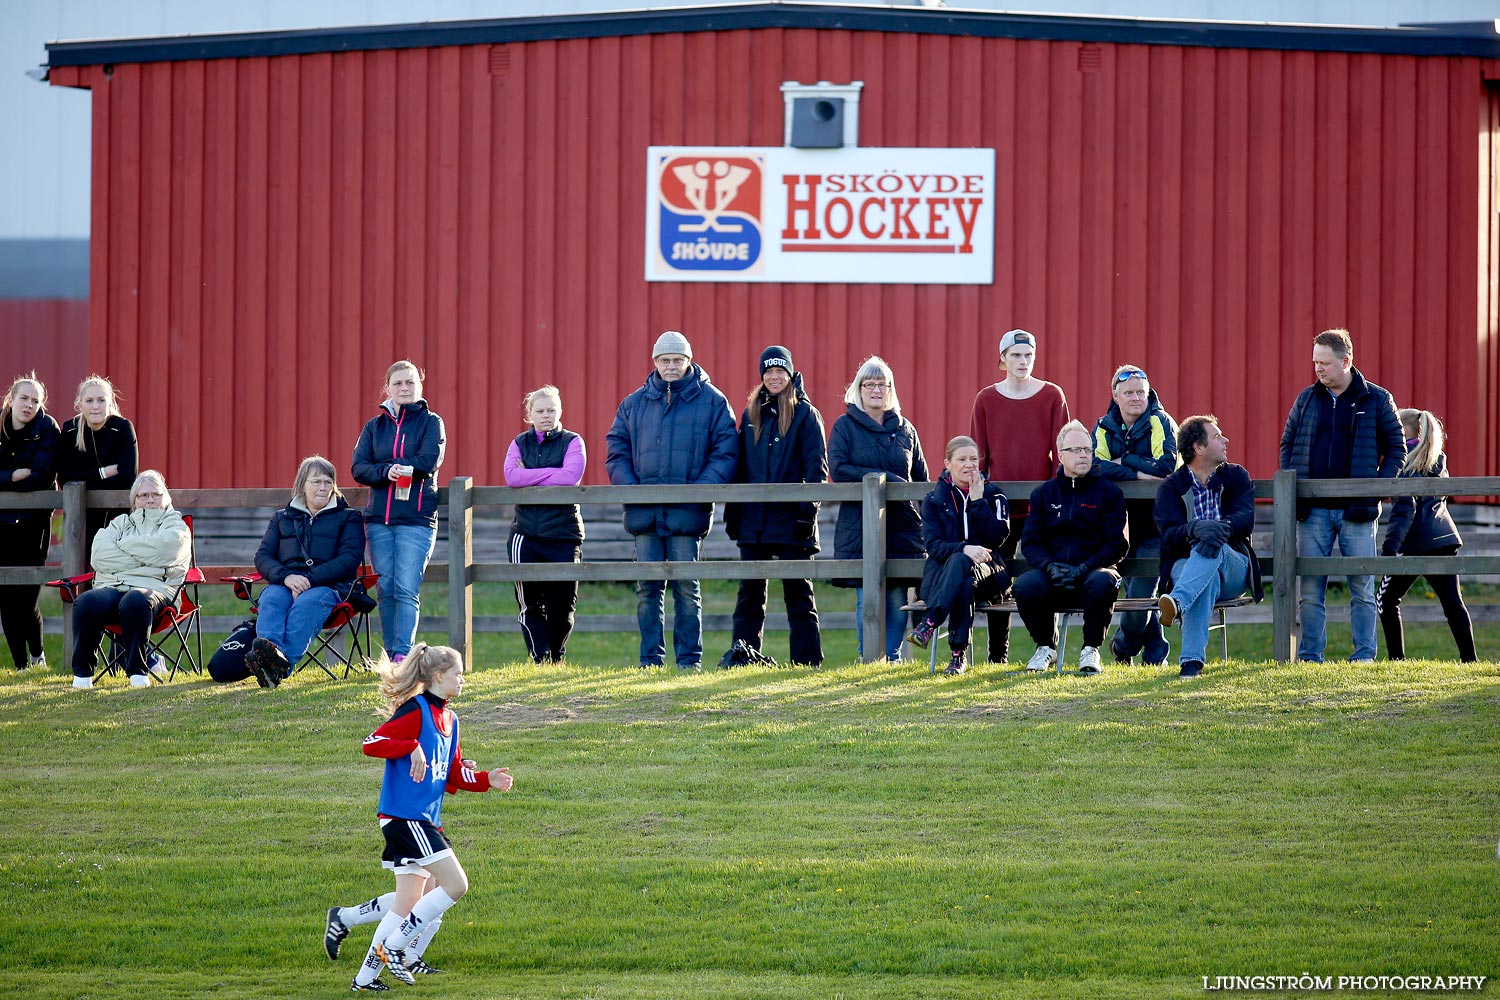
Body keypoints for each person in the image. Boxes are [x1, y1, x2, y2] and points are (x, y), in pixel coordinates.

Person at [349, 644, 513, 992]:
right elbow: (371, 742)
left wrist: (486, 779)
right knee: (456, 885)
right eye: (458, 674)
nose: (462, 680)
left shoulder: (451, 720)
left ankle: (365, 979)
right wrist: (409, 745)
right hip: (405, 818)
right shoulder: (415, 710)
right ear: (438, 676)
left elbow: (453, 774)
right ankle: (393, 948)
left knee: (408, 903)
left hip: (424, 820)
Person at [606, 332, 737, 670]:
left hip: (687, 513)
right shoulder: (634, 404)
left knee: (686, 588)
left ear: (688, 361)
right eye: (664, 360)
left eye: (677, 360)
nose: (671, 366)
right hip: (645, 514)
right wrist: (633, 489)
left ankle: (689, 661)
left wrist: (699, 490)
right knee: (648, 590)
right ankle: (651, 660)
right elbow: (616, 450)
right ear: (655, 363)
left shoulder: (712, 401)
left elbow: (725, 452)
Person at [1279, 329, 1404, 662]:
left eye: (1325, 363)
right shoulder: (1306, 399)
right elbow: (1287, 444)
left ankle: (1363, 656)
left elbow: (1396, 448)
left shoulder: (1376, 399)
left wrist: (1377, 486)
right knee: (1309, 591)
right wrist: (1293, 485)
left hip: (1358, 511)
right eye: (1315, 362)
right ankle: (1310, 657)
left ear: (1346, 361)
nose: (1318, 369)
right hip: (1312, 510)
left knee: (1362, 588)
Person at [722, 346, 828, 667]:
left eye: (780, 371)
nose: (774, 376)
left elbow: (816, 471)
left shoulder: (805, 415)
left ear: (790, 374)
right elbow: (740, 467)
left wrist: (806, 516)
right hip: (754, 521)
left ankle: (807, 663)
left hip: (792, 521)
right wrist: (734, 511)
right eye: (768, 372)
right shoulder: (751, 414)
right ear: (762, 376)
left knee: (798, 594)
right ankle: (744, 657)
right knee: (750, 595)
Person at [969, 329, 1070, 663]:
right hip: (1000, 508)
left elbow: (1062, 452)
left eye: (1028, 355)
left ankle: (1049, 647)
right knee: (998, 577)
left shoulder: (1052, 395)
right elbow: (979, 457)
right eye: (1015, 355)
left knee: (1047, 573)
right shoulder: (986, 399)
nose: (1022, 361)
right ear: (1003, 359)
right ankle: (998, 654)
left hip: (1041, 507)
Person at [829, 356, 929, 661]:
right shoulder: (844, 426)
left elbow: (922, 477)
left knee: (898, 594)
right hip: (860, 523)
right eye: (868, 384)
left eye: (881, 384)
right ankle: (869, 656)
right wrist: (883, 478)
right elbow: (838, 468)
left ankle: (893, 656)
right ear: (858, 389)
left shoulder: (906, 430)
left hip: (903, 524)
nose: (875, 389)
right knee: (866, 594)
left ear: (890, 389)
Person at [1013, 420, 1128, 674]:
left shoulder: (1109, 494)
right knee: (1025, 585)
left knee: (1104, 581)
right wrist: (1049, 566)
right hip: (1053, 574)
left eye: (1087, 449)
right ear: (1061, 456)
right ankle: (1045, 647)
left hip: (1092, 571)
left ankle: (1090, 650)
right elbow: (1031, 541)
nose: (1084, 455)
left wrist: (1086, 566)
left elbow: (1117, 544)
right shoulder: (1043, 495)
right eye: (1076, 450)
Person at [243, 456, 368, 687]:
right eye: (316, 481)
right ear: (302, 485)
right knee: (270, 598)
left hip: (329, 586)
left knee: (307, 603)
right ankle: (267, 655)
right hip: (286, 583)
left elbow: (348, 560)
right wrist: (287, 578)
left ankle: (280, 666)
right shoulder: (282, 517)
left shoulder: (349, 517)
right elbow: (262, 557)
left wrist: (307, 581)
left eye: (328, 482)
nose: (323, 487)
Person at [1153, 416, 1263, 677]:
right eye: (1216, 436)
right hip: (1187, 568)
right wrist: (1193, 530)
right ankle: (1191, 663)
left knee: (1215, 549)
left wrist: (1219, 529)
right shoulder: (1171, 487)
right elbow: (1168, 535)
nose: (1225, 440)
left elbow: (1245, 519)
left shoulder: (1236, 476)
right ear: (1198, 448)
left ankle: (1177, 603)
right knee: (1206, 576)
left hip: (1233, 566)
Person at [353, 360, 446, 662]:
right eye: (398, 383)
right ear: (388, 388)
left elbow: (428, 461)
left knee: (406, 588)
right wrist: (386, 471)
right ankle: (391, 652)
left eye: (410, 383)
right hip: (378, 520)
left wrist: (403, 468)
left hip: (415, 519)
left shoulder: (431, 422)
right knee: (386, 587)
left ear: (419, 387)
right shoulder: (374, 426)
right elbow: (359, 467)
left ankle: (402, 656)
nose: (404, 388)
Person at [68, 470, 190, 689]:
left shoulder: (176, 526)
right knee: (87, 601)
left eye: (156, 494)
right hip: (115, 586)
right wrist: (146, 561)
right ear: (134, 500)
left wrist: (123, 548)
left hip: (158, 589)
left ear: (166, 498)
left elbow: (166, 551)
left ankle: (137, 673)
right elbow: (99, 555)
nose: (150, 499)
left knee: (135, 599)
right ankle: (82, 676)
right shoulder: (120, 523)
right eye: (143, 495)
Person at [1092, 364, 1178, 665]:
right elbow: (1094, 467)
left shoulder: (1160, 421)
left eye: (1140, 392)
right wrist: (1140, 472)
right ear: (1115, 395)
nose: (1135, 398)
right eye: (1128, 392)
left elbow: (1166, 467)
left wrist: (1123, 460)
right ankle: (1156, 653)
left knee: (1141, 591)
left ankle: (1123, 646)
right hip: (1117, 525)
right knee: (1134, 594)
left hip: (1157, 523)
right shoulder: (1103, 426)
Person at [1377, 409, 1476, 662]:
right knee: (1453, 603)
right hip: (1443, 539)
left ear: (1404, 432)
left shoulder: (1406, 464)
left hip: (1414, 541)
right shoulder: (1437, 460)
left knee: (1386, 599)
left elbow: (1404, 509)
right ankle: (1469, 659)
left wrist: (1390, 548)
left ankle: (1396, 659)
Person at [906, 436, 1011, 675]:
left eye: (974, 459)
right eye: (962, 459)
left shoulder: (994, 496)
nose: (969, 464)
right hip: (945, 577)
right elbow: (933, 545)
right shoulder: (934, 500)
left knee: (962, 565)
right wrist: (964, 548)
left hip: (989, 572)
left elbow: (996, 539)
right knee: (962, 573)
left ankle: (930, 623)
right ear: (947, 464)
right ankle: (957, 657)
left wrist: (977, 501)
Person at [504, 385, 586, 664]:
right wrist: (552, 473)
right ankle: (540, 657)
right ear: (529, 414)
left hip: (563, 532)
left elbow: (571, 476)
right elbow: (512, 478)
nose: (546, 415)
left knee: (562, 604)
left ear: (560, 411)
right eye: (540, 410)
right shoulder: (519, 442)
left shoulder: (573, 441)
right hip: (525, 533)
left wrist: (531, 474)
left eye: (551, 410)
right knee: (529, 603)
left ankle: (557, 655)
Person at [0, 373, 60, 672]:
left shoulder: (47, 428)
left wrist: (9, 482)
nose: (29, 405)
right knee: (5, 596)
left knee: (26, 597)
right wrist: (11, 476)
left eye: (36, 400)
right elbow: (25, 477)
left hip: (35, 522)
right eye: (24, 398)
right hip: (1, 524)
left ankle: (37, 656)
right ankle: (21, 665)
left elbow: (43, 476)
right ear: (11, 398)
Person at [57, 374, 138, 548]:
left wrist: (85, 478)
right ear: (80, 403)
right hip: (82, 514)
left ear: (110, 402)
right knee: (83, 566)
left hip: (118, 513)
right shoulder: (70, 429)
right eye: (89, 401)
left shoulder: (122, 427)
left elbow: (127, 476)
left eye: (101, 400)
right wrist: (104, 472)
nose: (95, 406)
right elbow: (64, 478)